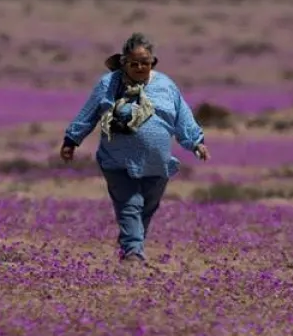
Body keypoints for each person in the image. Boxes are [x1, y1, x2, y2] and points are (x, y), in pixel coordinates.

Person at [60, 32, 210, 265]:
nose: (140, 67)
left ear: (153, 62)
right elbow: (88, 113)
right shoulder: (108, 85)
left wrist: (196, 143)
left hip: (156, 163)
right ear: (123, 63)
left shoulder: (165, 86)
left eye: (146, 63)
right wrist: (71, 140)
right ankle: (133, 255)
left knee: (147, 207)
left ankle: (130, 245)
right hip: (118, 161)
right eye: (134, 63)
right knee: (130, 204)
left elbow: (183, 117)